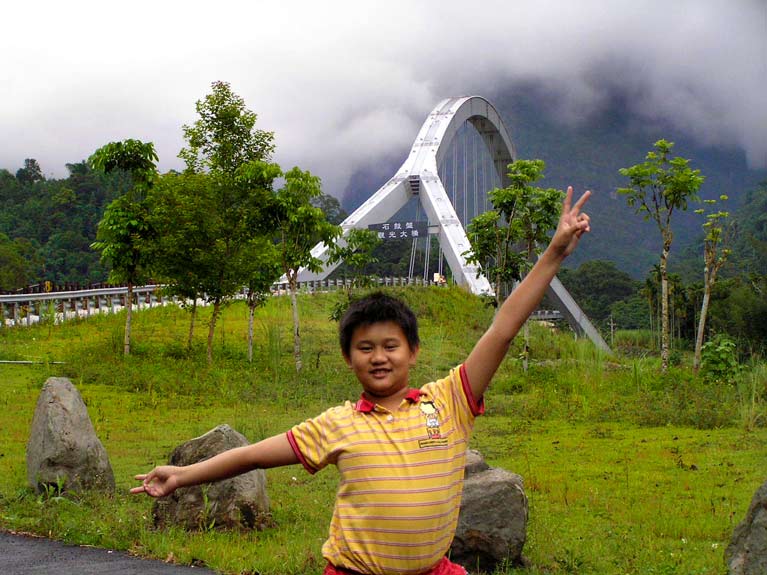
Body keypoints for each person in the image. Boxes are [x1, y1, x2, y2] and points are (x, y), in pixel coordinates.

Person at [132, 187, 592, 575]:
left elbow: (503, 329)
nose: (379, 357)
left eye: (391, 345)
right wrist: (183, 475)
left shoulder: (449, 400)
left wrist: (553, 253)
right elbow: (252, 456)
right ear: (348, 358)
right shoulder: (337, 424)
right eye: (365, 348)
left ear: (413, 351)